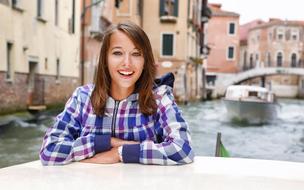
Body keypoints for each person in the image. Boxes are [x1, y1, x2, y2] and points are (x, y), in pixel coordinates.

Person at [39, 21, 194, 165]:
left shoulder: (159, 98)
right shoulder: (83, 97)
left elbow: (183, 149)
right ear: (105, 59)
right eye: (117, 53)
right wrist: (107, 142)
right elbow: (49, 150)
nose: (127, 63)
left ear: (145, 61)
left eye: (136, 54)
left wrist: (121, 153)